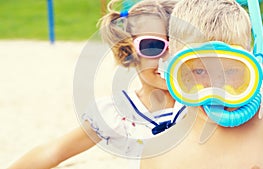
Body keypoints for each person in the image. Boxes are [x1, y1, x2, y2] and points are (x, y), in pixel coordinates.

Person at [7, 0, 186, 169]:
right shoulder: (118, 114)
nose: (169, 58)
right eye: (153, 46)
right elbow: (53, 152)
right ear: (129, 49)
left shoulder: (204, 101)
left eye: (180, 47)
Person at [140, 0, 263, 169]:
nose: (215, 90)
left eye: (230, 72)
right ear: (172, 72)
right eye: (199, 72)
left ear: (251, 69)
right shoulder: (158, 154)